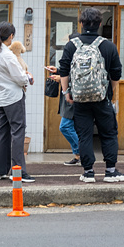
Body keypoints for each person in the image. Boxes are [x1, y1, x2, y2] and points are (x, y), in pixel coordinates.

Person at [57, 7, 124, 183]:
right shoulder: (108, 45)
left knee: (84, 134)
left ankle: (88, 172)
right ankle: (110, 171)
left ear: (80, 24)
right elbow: (116, 74)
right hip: (102, 98)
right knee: (109, 133)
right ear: (100, 24)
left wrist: (67, 93)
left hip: (79, 99)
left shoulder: (71, 45)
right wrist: (109, 92)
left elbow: (64, 70)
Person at [0, 21, 35, 182]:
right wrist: (28, 77)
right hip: (13, 98)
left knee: (1, 132)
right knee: (17, 133)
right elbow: (20, 77)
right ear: (12, 36)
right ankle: (18, 172)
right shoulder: (8, 55)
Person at [47, 33, 80, 166]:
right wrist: (58, 71)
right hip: (69, 96)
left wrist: (60, 78)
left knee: (65, 126)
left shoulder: (80, 57)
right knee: (73, 127)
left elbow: (77, 76)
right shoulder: (72, 56)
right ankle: (78, 156)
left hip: (73, 97)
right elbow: (68, 72)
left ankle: (81, 152)